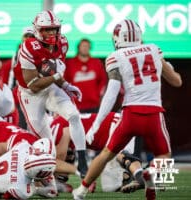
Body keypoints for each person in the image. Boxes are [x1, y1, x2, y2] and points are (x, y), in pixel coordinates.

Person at [72, 19, 182, 200]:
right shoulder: (154, 50)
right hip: (154, 114)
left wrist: (97, 124)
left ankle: (81, 191)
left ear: (117, 38)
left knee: (107, 154)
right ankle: (150, 173)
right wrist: (167, 67)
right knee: (164, 155)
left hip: (130, 115)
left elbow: (111, 93)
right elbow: (177, 81)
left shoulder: (116, 57)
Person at [13, 10, 88, 177]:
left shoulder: (62, 43)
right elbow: (34, 86)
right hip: (30, 95)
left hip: (50, 87)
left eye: (54, 29)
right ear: (38, 30)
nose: (52, 33)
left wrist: (66, 85)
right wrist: (56, 76)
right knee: (47, 144)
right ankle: (41, 178)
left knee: (74, 116)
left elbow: (53, 71)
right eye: (47, 29)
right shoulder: (28, 48)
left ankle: (82, 161)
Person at [51, 112, 141, 193]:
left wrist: (85, 176)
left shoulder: (58, 126)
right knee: (110, 187)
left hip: (115, 124)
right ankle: (127, 175)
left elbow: (58, 162)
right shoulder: (58, 125)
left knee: (121, 156)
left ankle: (139, 176)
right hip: (114, 126)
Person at [65, 38, 107, 113]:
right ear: (78, 47)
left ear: (89, 48)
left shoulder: (96, 62)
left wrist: (98, 94)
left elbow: (103, 81)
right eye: (83, 46)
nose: (85, 48)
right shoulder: (70, 63)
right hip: (75, 105)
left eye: (87, 46)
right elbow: (65, 82)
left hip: (94, 104)